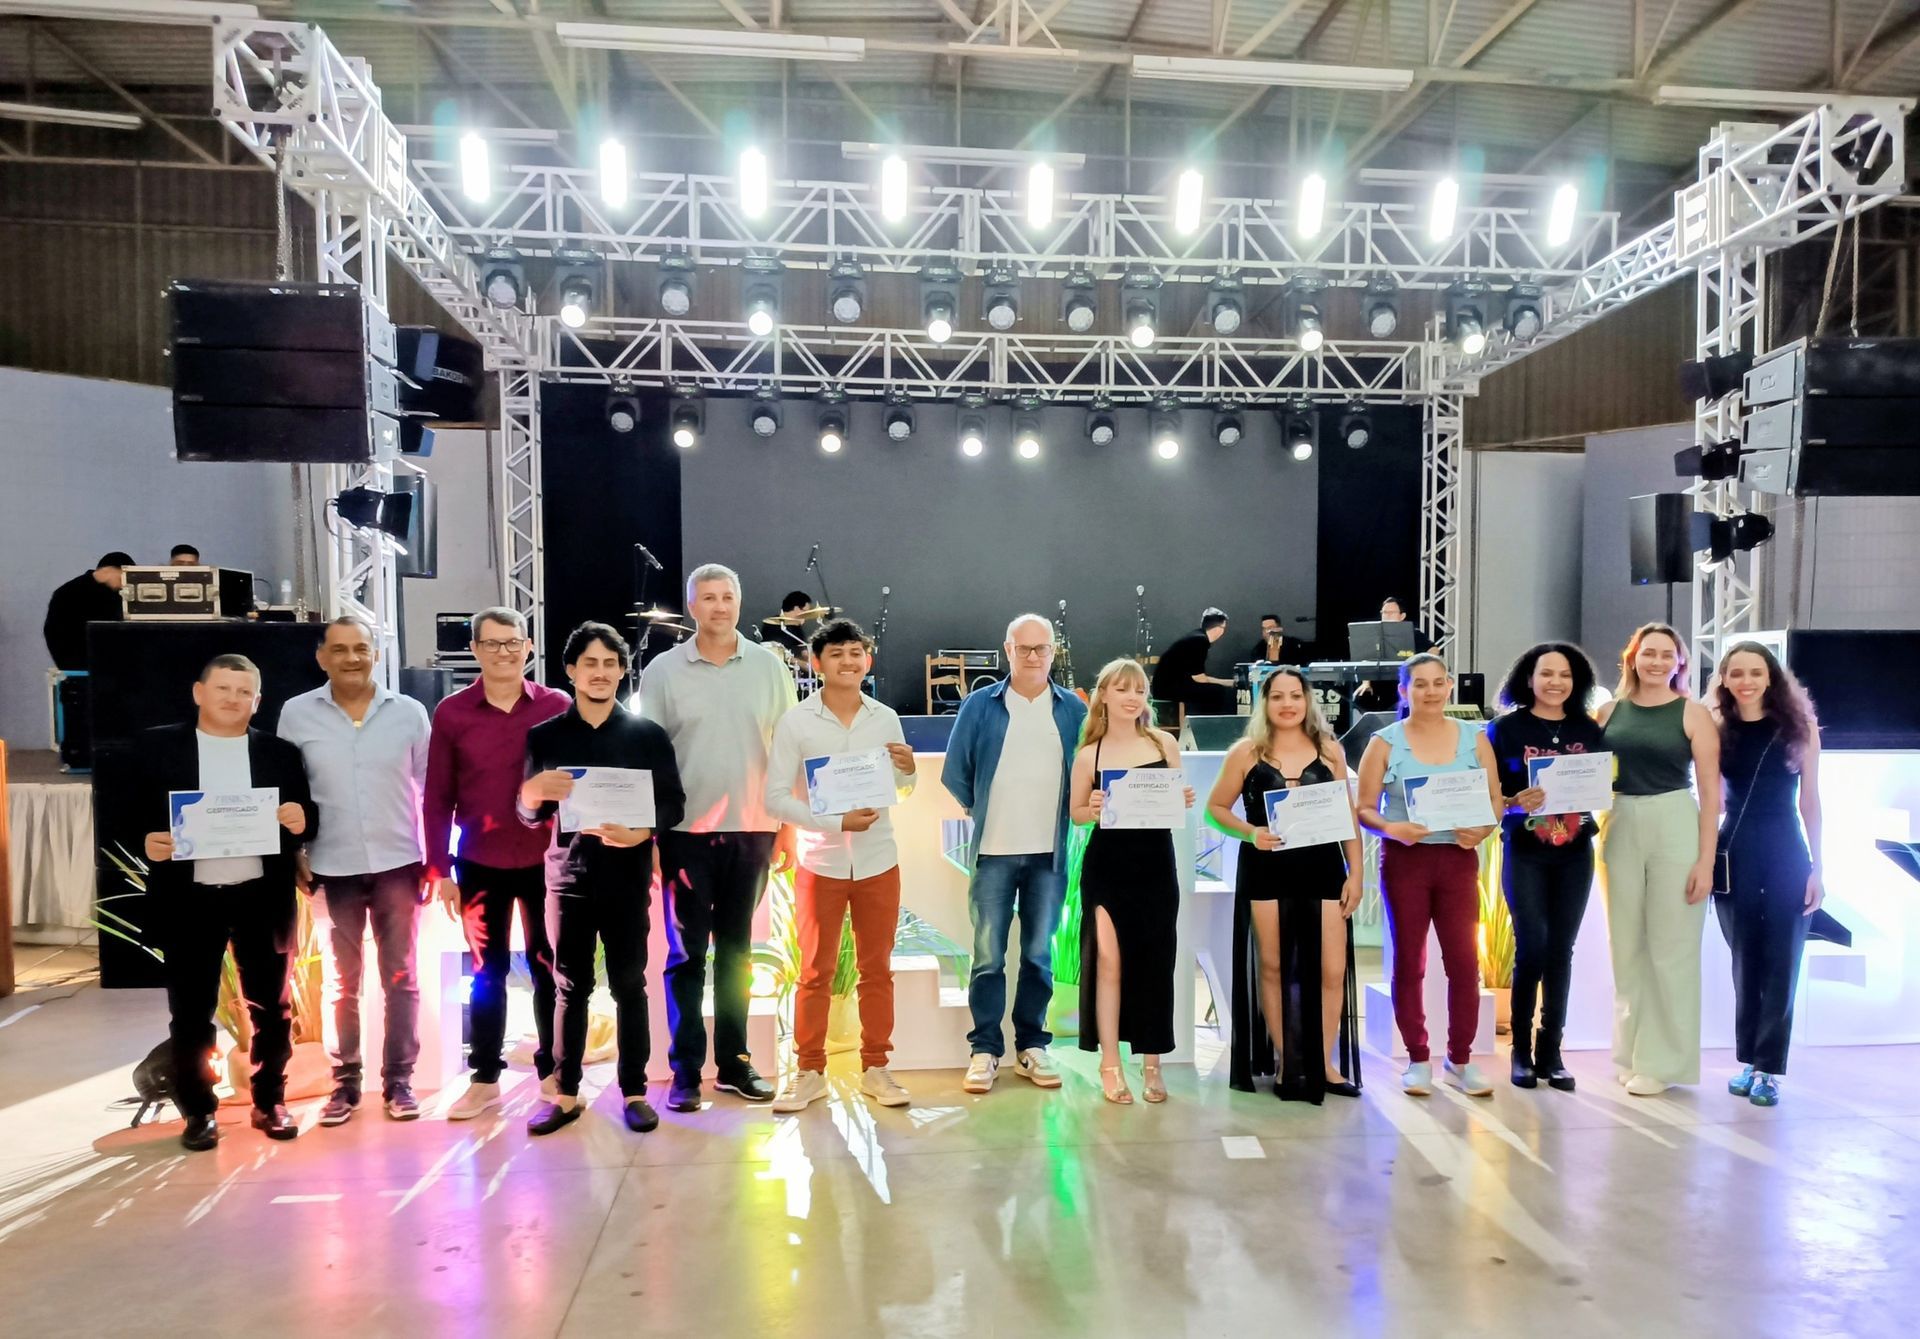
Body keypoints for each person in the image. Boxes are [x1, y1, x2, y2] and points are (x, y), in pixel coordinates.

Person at [137, 654, 317, 1150]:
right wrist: (146, 840)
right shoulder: (158, 746)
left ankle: (270, 1100)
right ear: (199, 692)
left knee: (273, 1008)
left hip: (261, 895)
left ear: (257, 701)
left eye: (244, 692)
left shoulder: (279, 752)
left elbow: (307, 818)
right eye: (223, 689)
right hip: (189, 899)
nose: (233, 699)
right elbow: (126, 813)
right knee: (191, 1012)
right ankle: (199, 1111)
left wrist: (301, 819)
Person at [638, 563, 796, 1112]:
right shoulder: (662, 671)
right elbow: (648, 756)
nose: (719, 606)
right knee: (686, 955)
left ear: (739, 602)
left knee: (737, 953)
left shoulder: (770, 668)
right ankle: (685, 1070)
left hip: (755, 829)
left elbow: (787, 749)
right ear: (692, 607)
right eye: (708, 597)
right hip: (684, 833)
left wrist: (788, 828)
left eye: (727, 596)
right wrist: (651, 835)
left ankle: (734, 1063)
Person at [520, 623, 686, 1135]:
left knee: (630, 984)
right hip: (567, 878)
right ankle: (566, 1094)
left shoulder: (647, 735)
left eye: (610, 664)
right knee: (569, 986)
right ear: (571, 671)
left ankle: (634, 1092)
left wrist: (644, 832)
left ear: (621, 671)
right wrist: (530, 793)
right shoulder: (545, 736)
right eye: (590, 663)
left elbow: (673, 803)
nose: (600, 673)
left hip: (627, 878)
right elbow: (529, 815)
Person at [277, 616, 433, 1125]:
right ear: (322, 657)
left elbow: (429, 789)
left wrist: (434, 857)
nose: (352, 658)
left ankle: (400, 1082)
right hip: (331, 864)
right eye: (340, 649)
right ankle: (344, 1084)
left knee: (402, 976)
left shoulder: (409, 713)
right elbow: (288, 790)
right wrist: (294, 851)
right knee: (341, 982)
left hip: (399, 863)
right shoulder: (297, 714)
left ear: (376, 654)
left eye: (361, 648)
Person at [762, 619, 917, 1112]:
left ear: (867, 660)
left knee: (877, 970)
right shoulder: (797, 722)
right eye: (836, 654)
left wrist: (908, 771)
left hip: (878, 860)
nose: (848, 662)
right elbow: (775, 798)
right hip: (820, 861)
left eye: (856, 653)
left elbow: (900, 791)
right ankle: (809, 1071)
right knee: (814, 971)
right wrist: (834, 822)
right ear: (817, 662)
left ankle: (877, 1067)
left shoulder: (885, 718)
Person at [424, 608, 571, 1120]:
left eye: (512, 643)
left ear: (528, 647)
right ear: (475, 650)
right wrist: (439, 869)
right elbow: (437, 796)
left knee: (548, 965)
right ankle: (485, 1077)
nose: (503, 652)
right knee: (487, 970)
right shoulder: (452, 712)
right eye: (492, 644)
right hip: (479, 859)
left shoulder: (556, 705)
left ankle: (553, 1069)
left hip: (546, 859)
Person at [940, 612, 1088, 1095]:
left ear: (1053, 652)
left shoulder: (1072, 709)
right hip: (994, 854)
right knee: (988, 957)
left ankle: (1031, 1046)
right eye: (1023, 648)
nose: (1032, 656)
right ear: (1008, 650)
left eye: (1041, 648)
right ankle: (984, 1050)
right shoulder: (980, 705)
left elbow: (1090, 767)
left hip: (1049, 856)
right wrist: (981, 806)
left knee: (1039, 956)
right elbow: (955, 770)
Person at [1205, 666, 1363, 1103]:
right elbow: (1215, 809)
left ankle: (1324, 1063)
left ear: (1308, 701)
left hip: (1323, 867)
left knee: (1331, 969)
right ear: (1265, 702)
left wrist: (1357, 873)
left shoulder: (1329, 750)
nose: (1288, 704)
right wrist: (1249, 832)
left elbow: (1347, 818)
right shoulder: (1245, 752)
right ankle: (1287, 1061)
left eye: (1296, 695)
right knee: (1273, 967)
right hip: (1267, 868)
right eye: (1278, 696)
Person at [1356, 653, 1502, 1098]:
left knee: (1464, 962)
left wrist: (1484, 827)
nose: (1431, 691)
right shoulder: (1384, 742)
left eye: (1439, 683)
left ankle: (1460, 1060)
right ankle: (1418, 1059)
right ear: (1404, 691)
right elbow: (1363, 809)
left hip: (1458, 860)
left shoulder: (1475, 738)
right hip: (1407, 861)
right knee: (1409, 961)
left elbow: (1495, 800)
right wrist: (1391, 828)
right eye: (1420, 684)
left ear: (1450, 686)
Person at [1597, 622, 1721, 1097]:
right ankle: (1630, 1053)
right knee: (1625, 945)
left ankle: (1663, 1062)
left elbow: (1711, 796)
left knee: (1673, 947)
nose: (1656, 661)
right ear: (1632, 657)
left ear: (1679, 662)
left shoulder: (1693, 714)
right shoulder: (1607, 712)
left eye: (1667, 654)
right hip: (1620, 819)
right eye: (1648, 653)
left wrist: (1706, 862)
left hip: (1674, 821)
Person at [1068, 658, 1193, 1104]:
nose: (1132, 698)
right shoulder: (1090, 754)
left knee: (1156, 961)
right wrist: (1091, 809)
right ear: (1103, 695)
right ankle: (1110, 1063)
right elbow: (1076, 814)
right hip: (1108, 867)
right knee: (1108, 962)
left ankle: (1152, 1062)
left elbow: (1173, 805)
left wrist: (1181, 798)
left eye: (1139, 690)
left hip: (1156, 865)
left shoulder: (1163, 742)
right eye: (1122, 689)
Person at [1486, 642, 1606, 1092]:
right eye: (1547, 673)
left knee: (1561, 950)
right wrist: (1514, 802)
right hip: (1525, 850)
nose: (1556, 682)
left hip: (1575, 852)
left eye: (1565, 675)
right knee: (1531, 946)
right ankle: (1520, 1050)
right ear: (1529, 678)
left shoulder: (1589, 729)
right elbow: (1488, 797)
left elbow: (1603, 784)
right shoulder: (1504, 729)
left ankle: (1551, 1050)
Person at [1710, 642, 1823, 1108]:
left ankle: (1770, 1069)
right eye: (1736, 673)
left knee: (1783, 960)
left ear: (1771, 676)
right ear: (1724, 679)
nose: (1746, 681)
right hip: (1733, 852)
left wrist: (1818, 866)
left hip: (1786, 852)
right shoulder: (1717, 730)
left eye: (1756, 672)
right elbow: (1712, 801)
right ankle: (1749, 1061)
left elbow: (1810, 800)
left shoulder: (1799, 727)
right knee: (1745, 961)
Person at [43, 550, 131, 670]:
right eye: (121, 577)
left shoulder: (66, 591)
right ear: (107, 571)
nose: (123, 584)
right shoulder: (69, 593)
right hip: (81, 667)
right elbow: (55, 633)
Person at [1150, 608, 1234, 719]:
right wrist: (1227, 683)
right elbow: (1200, 679)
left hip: (1166, 686)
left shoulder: (1196, 637)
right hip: (1167, 689)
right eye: (1224, 628)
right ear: (1218, 629)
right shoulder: (1200, 641)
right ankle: (1208, 725)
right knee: (1217, 692)